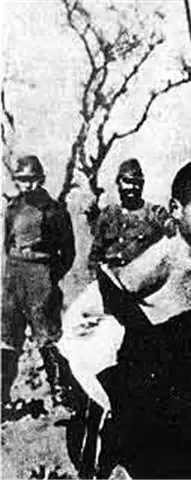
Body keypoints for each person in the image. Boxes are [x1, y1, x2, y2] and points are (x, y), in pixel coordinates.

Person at [59, 161, 191, 479]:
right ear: (176, 209)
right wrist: (105, 387)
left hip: (187, 390)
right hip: (146, 393)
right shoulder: (159, 261)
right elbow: (86, 315)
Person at [2, 155, 75, 414]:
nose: (27, 185)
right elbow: (8, 243)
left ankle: (61, 396)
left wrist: (49, 278)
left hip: (41, 277)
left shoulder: (53, 210)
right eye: (22, 180)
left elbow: (68, 253)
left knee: (48, 338)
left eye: (32, 179)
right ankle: (1, 399)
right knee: (7, 340)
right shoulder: (13, 207)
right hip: (13, 277)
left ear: (41, 179)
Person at [87, 158, 173, 275]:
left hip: (140, 279)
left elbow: (172, 234)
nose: (132, 187)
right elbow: (95, 253)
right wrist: (94, 275)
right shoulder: (109, 214)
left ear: (142, 185)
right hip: (109, 278)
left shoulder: (154, 213)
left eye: (137, 183)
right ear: (118, 183)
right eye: (127, 181)